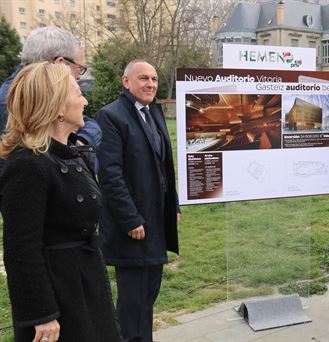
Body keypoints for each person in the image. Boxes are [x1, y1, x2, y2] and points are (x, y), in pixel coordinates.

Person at [0, 62, 120, 342]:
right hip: (60, 296)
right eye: (78, 93)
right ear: (56, 108)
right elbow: (20, 250)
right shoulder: (28, 165)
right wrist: (42, 315)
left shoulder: (69, 154)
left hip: (86, 284)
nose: (86, 101)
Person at [95, 59, 180, 342]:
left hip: (155, 220)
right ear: (126, 81)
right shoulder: (111, 116)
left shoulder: (152, 113)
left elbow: (165, 166)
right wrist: (130, 218)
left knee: (148, 295)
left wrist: (173, 206)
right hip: (132, 225)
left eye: (154, 79)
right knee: (132, 302)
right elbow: (110, 174)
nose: (151, 84)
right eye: (144, 78)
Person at [0, 26, 101, 175]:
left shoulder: (24, 95)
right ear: (59, 63)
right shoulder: (15, 103)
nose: (79, 77)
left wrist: (79, 141)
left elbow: (91, 125)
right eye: (79, 68)